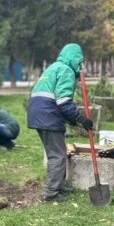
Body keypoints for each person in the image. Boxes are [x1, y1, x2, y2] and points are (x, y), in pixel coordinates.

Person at [26, 43, 93, 203]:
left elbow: (57, 101)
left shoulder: (53, 67)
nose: (79, 66)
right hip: (48, 114)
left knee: (58, 153)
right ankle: (51, 193)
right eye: (79, 62)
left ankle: (58, 186)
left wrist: (73, 120)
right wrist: (81, 119)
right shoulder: (66, 70)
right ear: (74, 59)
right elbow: (63, 101)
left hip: (38, 112)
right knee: (57, 155)